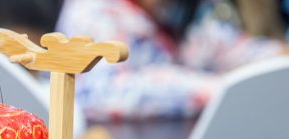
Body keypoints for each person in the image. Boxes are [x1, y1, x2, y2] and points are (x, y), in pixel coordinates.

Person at [57, 0, 288, 120]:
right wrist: (217, 88)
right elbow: (102, 93)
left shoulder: (178, 10)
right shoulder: (92, 11)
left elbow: (220, 47)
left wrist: (276, 56)